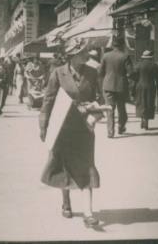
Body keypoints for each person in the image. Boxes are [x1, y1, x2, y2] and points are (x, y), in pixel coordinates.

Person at [39, 38, 102, 228]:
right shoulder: (58, 73)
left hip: (84, 128)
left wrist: (96, 115)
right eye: (83, 52)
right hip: (63, 128)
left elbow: (100, 98)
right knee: (64, 167)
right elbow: (48, 100)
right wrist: (43, 125)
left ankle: (88, 213)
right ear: (73, 55)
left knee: (87, 166)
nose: (88, 55)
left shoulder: (92, 72)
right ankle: (66, 202)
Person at [99, 36, 132, 138]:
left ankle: (110, 132)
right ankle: (121, 127)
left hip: (108, 85)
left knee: (110, 109)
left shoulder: (105, 56)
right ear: (122, 45)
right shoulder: (125, 56)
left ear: (113, 45)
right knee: (122, 108)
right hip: (121, 86)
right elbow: (130, 72)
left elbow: (100, 72)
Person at [133, 50, 158, 130]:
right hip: (151, 86)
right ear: (151, 57)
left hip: (140, 86)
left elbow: (134, 77)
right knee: (149, 103)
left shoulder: (138, 65)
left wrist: (133, 88)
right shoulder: (155, 66)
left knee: (141, 102)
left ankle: (142, 118)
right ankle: (146, 121)